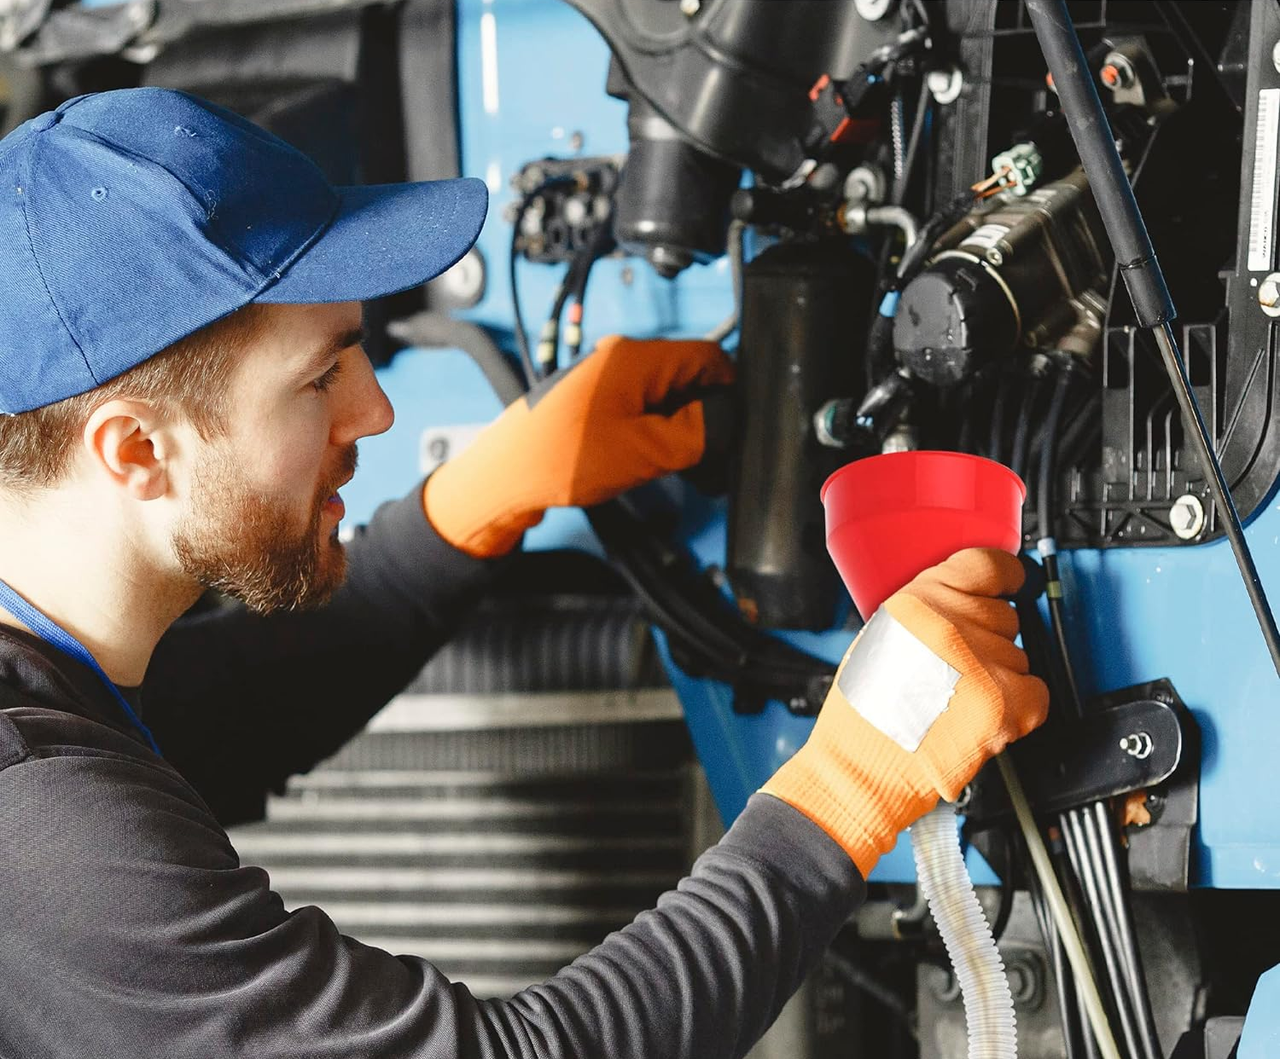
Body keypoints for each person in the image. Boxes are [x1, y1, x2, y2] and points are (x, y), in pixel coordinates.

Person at [0, 88, 1048, 1058]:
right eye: (320, 376)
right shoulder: (38, 827)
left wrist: (477, 500)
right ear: (133, 451)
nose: (375, 412)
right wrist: (850, 788)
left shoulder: (44, 677)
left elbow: (224, 714)